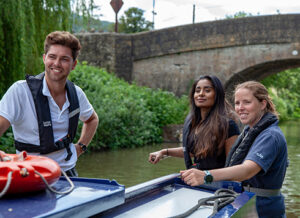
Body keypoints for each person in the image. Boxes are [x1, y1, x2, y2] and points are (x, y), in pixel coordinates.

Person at [180, 81, 288, 217]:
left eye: (247, 102)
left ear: (263, 104)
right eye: (237, 103)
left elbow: (247, 170)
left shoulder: (270, 136)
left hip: (263, 208)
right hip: (248, 201)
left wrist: (206, 176)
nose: (240, 108)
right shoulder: (250, 131)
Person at [0, 31, 99, 177]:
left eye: (64, 59)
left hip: (68, 174)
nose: (57, 64)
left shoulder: (76, 94)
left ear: (74, 64)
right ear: (44, 58)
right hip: (31, 175)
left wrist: (81, 147)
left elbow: (92, 119)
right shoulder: (20, 91)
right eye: (52, 57)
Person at [149, 75, 240, 170]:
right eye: (197, 91)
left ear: (217, 95)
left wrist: (207, 176)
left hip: (216, 181)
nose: (201, 94)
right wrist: (164, 152)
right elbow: (194, 151)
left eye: (207, 90)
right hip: (196, 179)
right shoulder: (194, 122)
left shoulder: (228, 125)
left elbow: (233, 164)